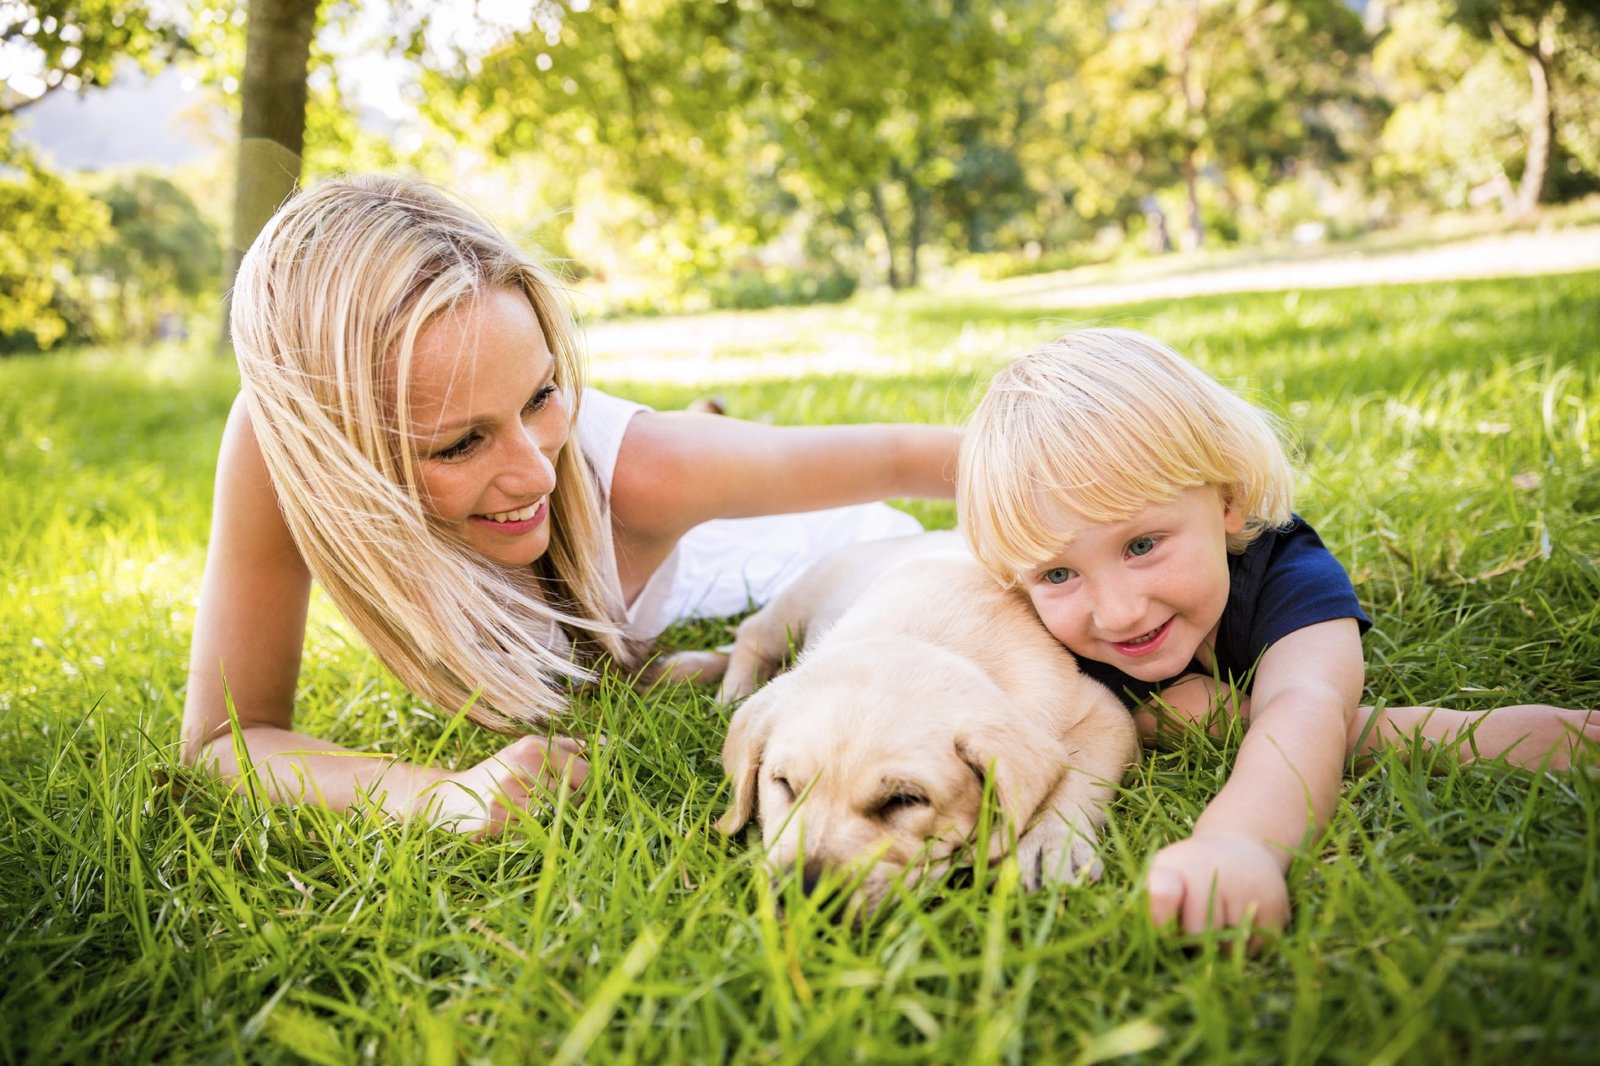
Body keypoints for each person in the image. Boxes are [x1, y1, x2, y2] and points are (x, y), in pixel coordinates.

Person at [181, 175, 959, 835]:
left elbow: (906, 457)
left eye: (541, 396)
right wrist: (436, 793)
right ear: (335, 457)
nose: (534, 475)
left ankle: (699, 428)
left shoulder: (644, 475)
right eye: (459, 443)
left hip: (818, 557)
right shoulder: (278, 437)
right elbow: (226, 740)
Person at [957, 328, 1596, 938]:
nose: (1119, 612)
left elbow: (1307, 704)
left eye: (1142, 544)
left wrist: (1240, 841)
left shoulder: (1288, 571)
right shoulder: (1039, 635)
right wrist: (1183, 712)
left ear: (1228, 500)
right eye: (1059, 572)